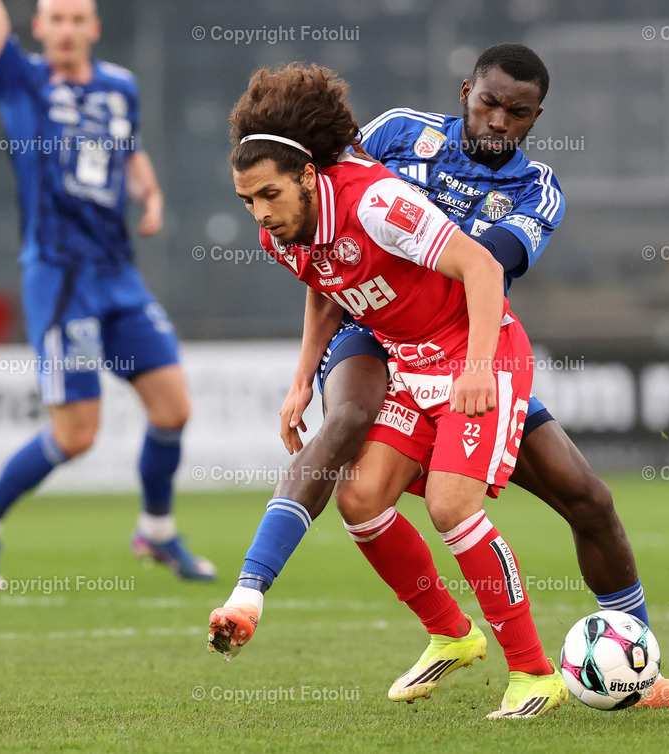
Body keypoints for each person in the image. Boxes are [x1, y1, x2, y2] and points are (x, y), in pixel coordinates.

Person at [209, 44, 669, 710]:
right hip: (375, 329)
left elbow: (481, 264)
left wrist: (469, 346)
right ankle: (436, 629)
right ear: (466, 92)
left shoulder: (534, 188)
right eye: (488, 103)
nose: (498, 121)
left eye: (517, 114)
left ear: (536, 118)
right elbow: (325, 236)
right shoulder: (395, 134)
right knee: (350, 445)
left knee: (588, 500)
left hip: (461, 338)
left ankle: (640, 667)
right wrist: (304, 372)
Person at [210, 62, 569, 719]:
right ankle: (453, 635)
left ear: (308, 177)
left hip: (475, 355)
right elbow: (328, 283)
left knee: (451, 507)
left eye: (267, 196)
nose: (259, 215)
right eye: (247, 202)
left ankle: (534, 674)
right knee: (360, 497)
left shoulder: (378, 203)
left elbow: (483, 265)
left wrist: (479, 368)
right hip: (410, 360)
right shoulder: (282, 231)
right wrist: (300, 381)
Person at [0, 0, 215, 587]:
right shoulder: (23, 80)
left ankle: (156, 529)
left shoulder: (120, 86)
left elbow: (128, 148)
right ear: (38, 28)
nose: (67, 29)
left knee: (173, 408)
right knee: (77, 434)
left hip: (117, 273)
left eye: (77, 19)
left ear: (93, 28)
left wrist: (151, 196)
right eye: (56, 19)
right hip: (59, 275)